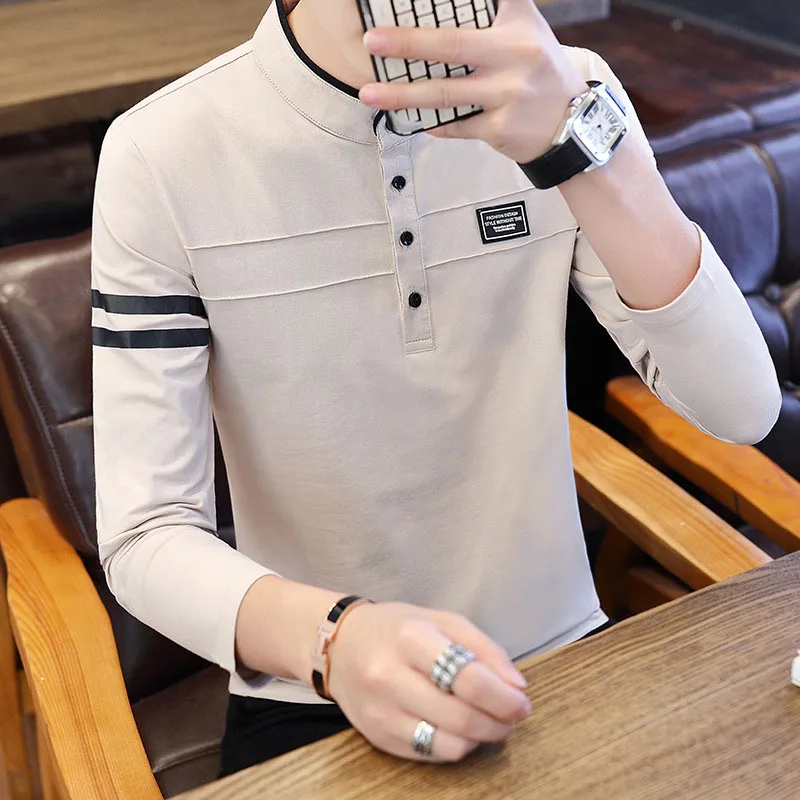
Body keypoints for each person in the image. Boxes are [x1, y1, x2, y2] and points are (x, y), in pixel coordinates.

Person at [90, 0, 781, 776]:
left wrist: (587, 149)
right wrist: (339, 640)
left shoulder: (572, 90)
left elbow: (741, 407)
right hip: (312, 687)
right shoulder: (162, 151)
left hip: (564, 661)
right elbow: (146, 534)